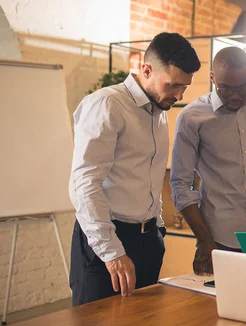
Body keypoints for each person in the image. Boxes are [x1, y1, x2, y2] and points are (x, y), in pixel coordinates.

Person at [69, 32, 201, 306]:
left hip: (147, 241)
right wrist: (112, 252)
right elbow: (85, 184)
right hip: (107, 242)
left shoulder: (159, 111)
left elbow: (148, 177)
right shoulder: (107, 105)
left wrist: (158, 231)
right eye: (173, 85)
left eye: (184, 88)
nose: (179, 95)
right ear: (146, 69)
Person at [170, 46, 246, 274]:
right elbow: (180, 184)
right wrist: (205, 240)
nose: (235, 96)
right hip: (220, 238)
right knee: (219, 309)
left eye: (242, 88)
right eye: (225, 89)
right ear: (213, 78)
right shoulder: (192, 117)